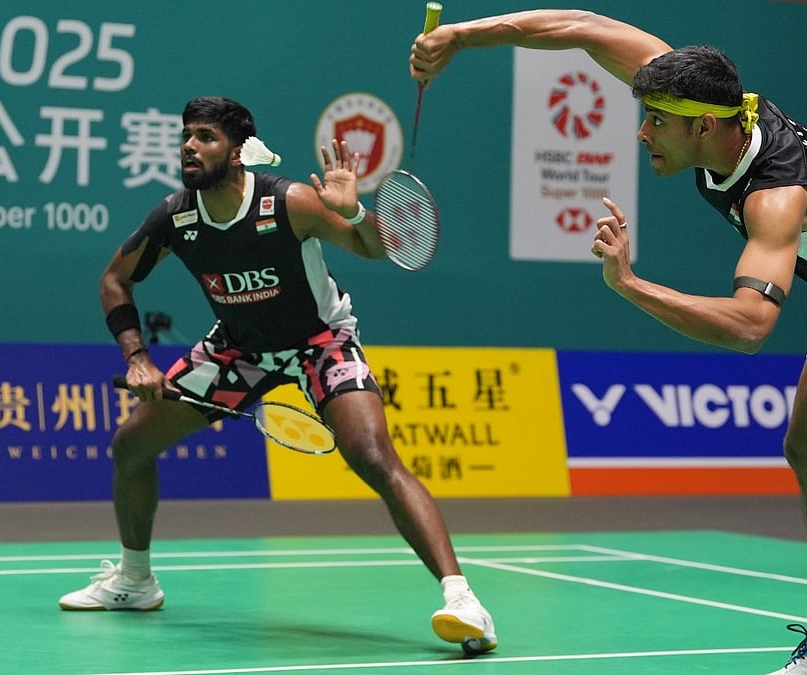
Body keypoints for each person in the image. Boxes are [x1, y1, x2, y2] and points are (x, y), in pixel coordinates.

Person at [409, 9, 807, 675]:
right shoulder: (696, 93)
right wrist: (461, 36)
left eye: (656, 121)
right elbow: (576, 25)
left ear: (703, 126)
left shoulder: (776, 192)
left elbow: (749, 325)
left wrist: (630, 284)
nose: (642, 132)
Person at [58, 96, 497, 656]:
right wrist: (136, 357)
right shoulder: (176, 217)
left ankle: (462, 600)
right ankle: (135, 581)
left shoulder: (288, 202)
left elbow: (375, 249)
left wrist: (355, 210)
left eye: (206, 137)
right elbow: (115, 280)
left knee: (371, 455)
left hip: (320, 340)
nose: (190, 146)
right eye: (186, 135)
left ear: (237, 152)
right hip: (238, 349)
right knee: (131, 447)